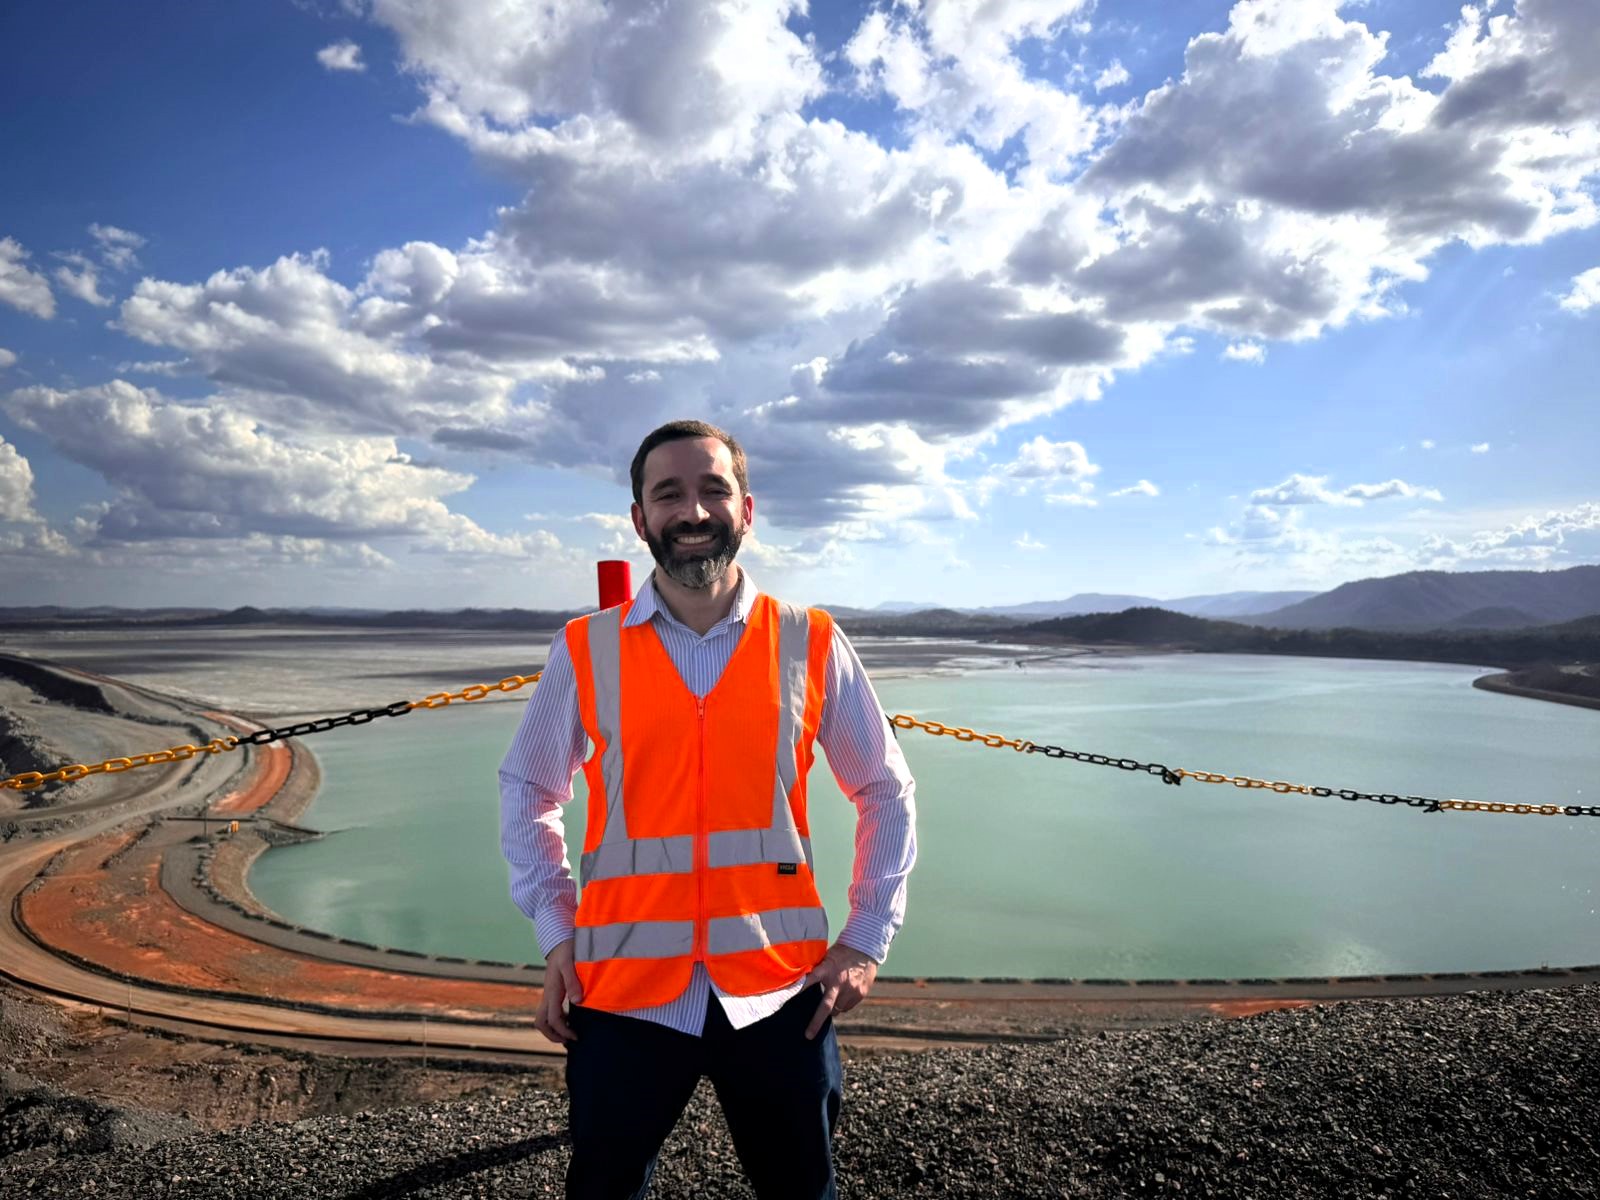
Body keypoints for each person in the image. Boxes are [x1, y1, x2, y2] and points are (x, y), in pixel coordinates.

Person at [499, 419, 917, 1200]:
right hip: (621, 993)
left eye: (712, 490)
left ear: (746, 510)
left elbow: (885, 790)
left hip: (778, 992)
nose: (693, 512)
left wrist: (865, 939)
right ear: (640, 520)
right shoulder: (586, 648)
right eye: (669, 494)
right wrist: (556, 930)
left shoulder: (809, 640)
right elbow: (528, 789)